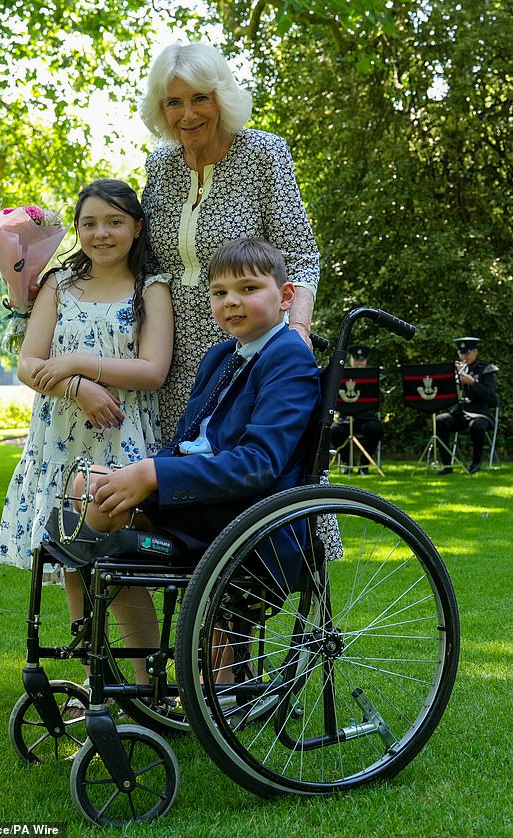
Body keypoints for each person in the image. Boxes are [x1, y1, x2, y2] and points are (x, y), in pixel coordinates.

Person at [0, 179, 174, 680]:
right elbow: (29, 363)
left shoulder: (152, 288)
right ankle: (97, 677)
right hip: (60, 437)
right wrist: (76, 388)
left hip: (122, 438)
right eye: (90, 223)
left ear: (136, 228)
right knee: (73, 555)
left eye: (115, 222)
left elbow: (153, 369)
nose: (102, 233)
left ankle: (148, 682)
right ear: (76, 230)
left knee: (116, 560)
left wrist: (76, 363)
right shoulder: (58, 283)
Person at [73, 237, 320, 598]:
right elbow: (187, 439)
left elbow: (258, 464)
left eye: (248, 288)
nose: (231, 301)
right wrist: (146, 471)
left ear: (286, 297)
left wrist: (153, 475)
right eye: (219, 293)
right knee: (87, 487)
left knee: (95, 503)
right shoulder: (220, 357)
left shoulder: (289, 357)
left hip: (245, 514)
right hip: (202, 501)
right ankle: (131, 650)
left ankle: (135, 648)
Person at [139, 40, 320, 439]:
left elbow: (302, 255)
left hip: (247, 348)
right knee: (180, 473)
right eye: (173, 102)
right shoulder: (160, 166)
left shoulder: (263, 152)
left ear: (221, 97)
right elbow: (142, 259)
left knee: (246, 469)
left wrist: (299, 332)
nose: (188, 115)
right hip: (170, 354)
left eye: (199, 98)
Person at [435, 337, 498, 475]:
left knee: (477, 425)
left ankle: (476, 463)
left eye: (468, 353)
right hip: (460, 413)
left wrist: (473, 383)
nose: (464, 356)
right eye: (461, 353)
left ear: (475, 352)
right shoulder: (456, 370)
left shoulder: (486, 370)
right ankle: (447, 465)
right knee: (439, 421)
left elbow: (492, 399)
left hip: (480, 414)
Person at [330, 344, 384, 475]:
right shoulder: (341, 375)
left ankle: (364, 464)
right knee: (333, 431)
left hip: (366, 419)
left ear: (366, 361)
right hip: (346, 419)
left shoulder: (373, 377)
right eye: (356, 359)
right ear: (351, 360)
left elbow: (380, 401)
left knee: (376, 429)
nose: (359, 362)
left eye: (362, 359)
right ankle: (348, 462)